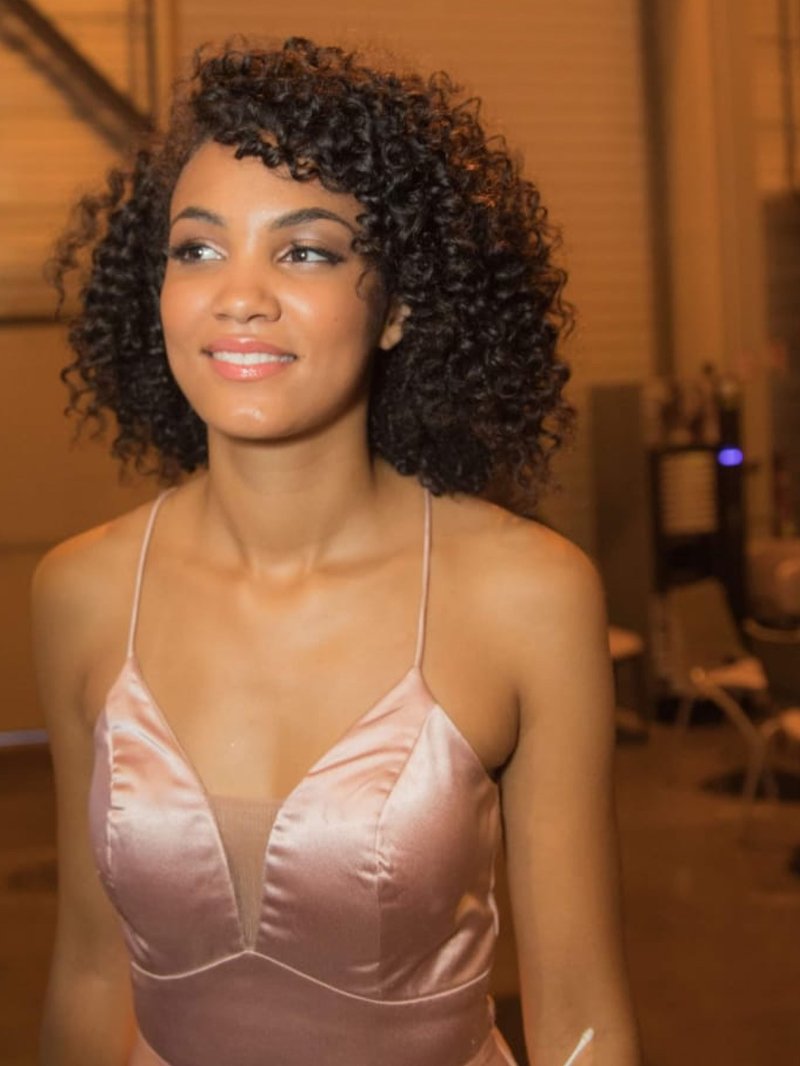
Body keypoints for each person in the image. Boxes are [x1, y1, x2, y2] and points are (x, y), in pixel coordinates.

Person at [33, 36, 640, 1066]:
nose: (239, 295)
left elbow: (581, 1012)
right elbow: (91, 973)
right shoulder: (81, 591)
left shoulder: (527, 595)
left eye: (305, 251)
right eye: (197, 250)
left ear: (397, 305)